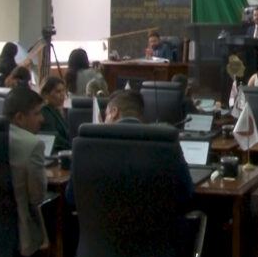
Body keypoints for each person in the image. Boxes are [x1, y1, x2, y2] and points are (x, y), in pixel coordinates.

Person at [66, 90, 194, 210]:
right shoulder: (165, 141)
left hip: (98, 226)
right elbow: (186, 193)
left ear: (114, 112)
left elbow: (72, 197)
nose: (104, 121)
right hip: (155, 225)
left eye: (106, 115)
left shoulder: (87, 144)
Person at [1, 86, 50, 257]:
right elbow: (37, 196)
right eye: (37, 114)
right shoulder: (33, 144)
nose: (42, 119)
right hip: (20, 235)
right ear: (19, 118)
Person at [38, 76, 71, 153]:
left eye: (63, 91)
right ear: (46, 94)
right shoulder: (45, 112)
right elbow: (54, 137)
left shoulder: (56, 110)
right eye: (58, 91)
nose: (62, 95)